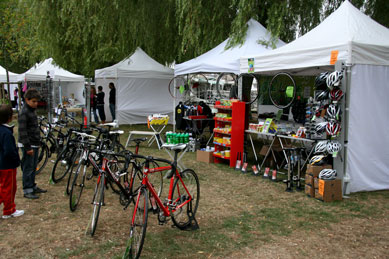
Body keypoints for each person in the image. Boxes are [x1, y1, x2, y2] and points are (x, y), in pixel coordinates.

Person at [18, 88, 47, 199]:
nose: (36, 104)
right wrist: (27, 147)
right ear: (27, 100)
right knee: (28, 167)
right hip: (28, 145)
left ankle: (32, 186)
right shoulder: (24, 112)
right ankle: (27, 189)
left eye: (37, 101)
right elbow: (23, 131)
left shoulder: (32, 111)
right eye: (33, 101)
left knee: (33, 166)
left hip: (34, 143)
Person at [0, 104, 24, 218]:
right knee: (9, 188)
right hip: (7, 165)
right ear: (10, 117)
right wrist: (16, 159)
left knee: (3, 186)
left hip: (1, 164)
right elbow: (9, 150)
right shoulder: (6, 133)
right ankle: (9, 210)